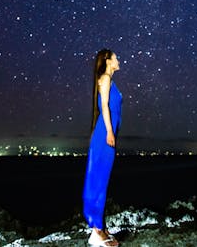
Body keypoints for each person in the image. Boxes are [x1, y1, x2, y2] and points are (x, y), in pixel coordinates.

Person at [82, 49, 122, 246]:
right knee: (98, 179)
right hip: (104, 134)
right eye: (115, 57)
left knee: (102, 180)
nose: (118, 60)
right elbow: (104, 106)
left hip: (107, 132)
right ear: (107, 60)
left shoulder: (109, 79)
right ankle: (96, 231)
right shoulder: (105, 78)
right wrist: (109, 132)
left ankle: (100, 227)